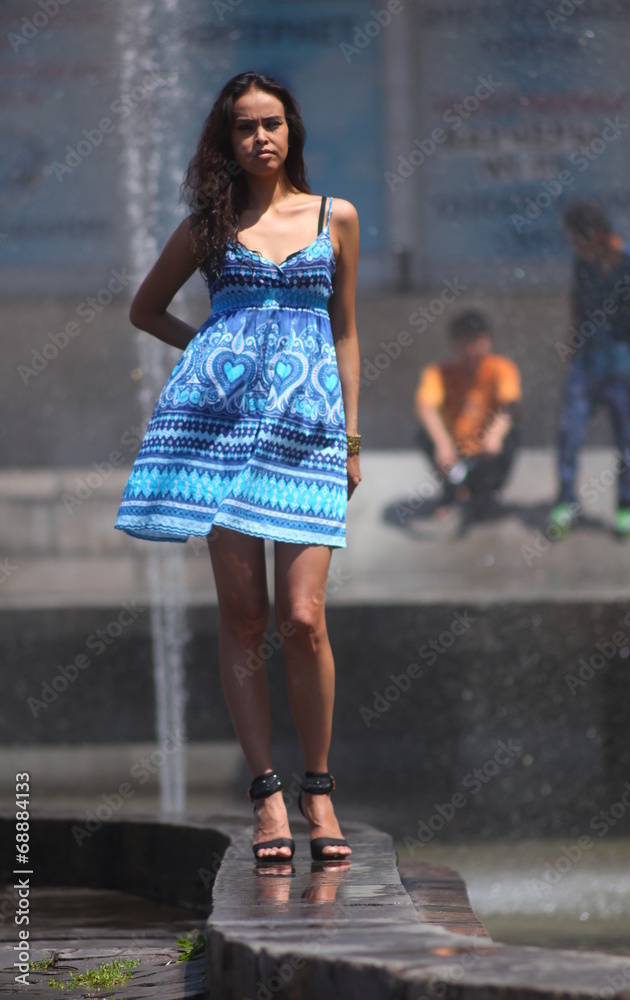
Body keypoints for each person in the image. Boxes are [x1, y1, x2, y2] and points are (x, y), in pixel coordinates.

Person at [115, 71, 361, 863]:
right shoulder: (208, 227)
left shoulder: (336, 218)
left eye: (273, 123)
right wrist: (214, 357)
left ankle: (318, 789)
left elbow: (345, 332)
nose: (261, 137)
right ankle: (267, 800)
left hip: (308, 434)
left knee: (303, 618)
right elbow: (145, 309)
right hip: (220, 433)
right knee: (245, 618)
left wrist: (352, 439)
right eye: (245, 127)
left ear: (293, 131)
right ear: (227, 141)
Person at [549, 202, 630, 538]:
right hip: (586, 365)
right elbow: (576, 305)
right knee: (568, 434)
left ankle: (627, 506)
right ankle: (565, 502)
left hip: (623, 367)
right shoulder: (583, 264)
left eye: (577, 239)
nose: (574, 246)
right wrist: (571, 349)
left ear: (597, 236)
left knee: (626, 440)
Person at [414, 310, 521, 513]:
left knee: (513, 434)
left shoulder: (501, 368)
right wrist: (443, 444)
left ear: (489, 340)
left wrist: (495, 436)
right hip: (454, 452)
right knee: (422, 433)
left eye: (477, 341)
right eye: (465, 342)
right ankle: (452, 491)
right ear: (454, 344)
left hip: (485, 451)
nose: (471, 350)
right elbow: (424, 406)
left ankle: (486, 495)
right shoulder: (439, 373)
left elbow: (511, 405)